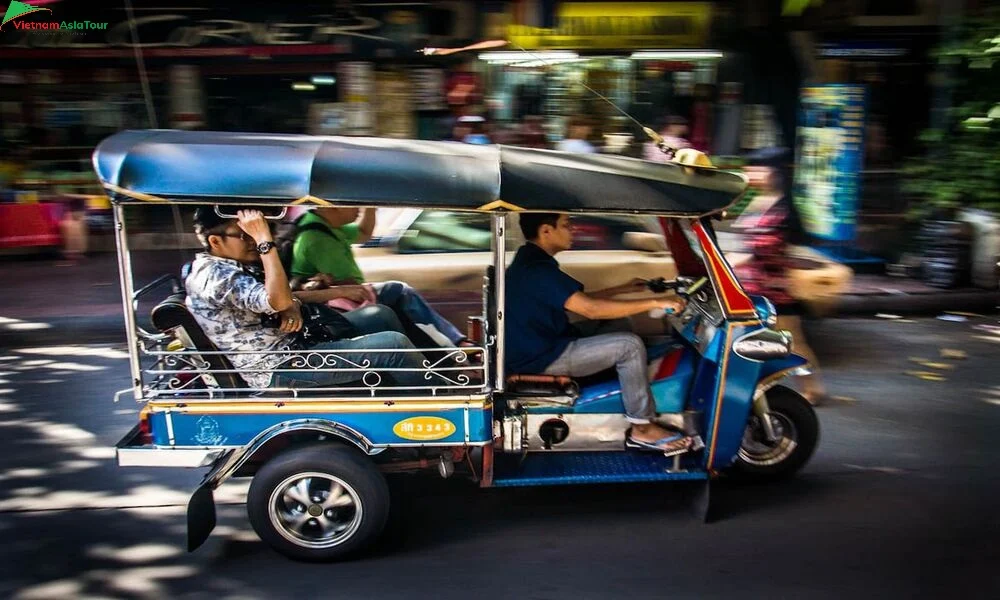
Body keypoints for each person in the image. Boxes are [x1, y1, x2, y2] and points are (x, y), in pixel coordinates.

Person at [505, 212, 692, 454]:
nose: (573, 231)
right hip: (541, 358)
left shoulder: (532, 261)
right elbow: (590, 310)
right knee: (630, 345)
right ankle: (642, 429)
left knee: (619, 324)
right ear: (546, 231)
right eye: (566, 225)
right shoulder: (537, 270)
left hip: (544, 343)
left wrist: (622, 289)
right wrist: (655, 303)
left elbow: (579, 300)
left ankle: (628, 389)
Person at [185, 207, 430, 390]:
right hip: (281, 366)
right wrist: (264, 243)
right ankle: (436, 406)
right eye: (244, 235)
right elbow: (278, 301)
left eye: (254, 233)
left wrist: (332, 293)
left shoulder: (232, 268)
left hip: (297, 343)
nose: (252, 240)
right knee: (394, 345)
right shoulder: (217, 276)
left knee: (381, 315)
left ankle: (407, 384)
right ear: (215, 241)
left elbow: (283, 297)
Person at [290, 207, 470, 350]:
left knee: (398, 297)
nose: (357, 207)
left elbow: (363, 233)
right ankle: (450, 348)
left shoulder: (325, 226)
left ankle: (450, 345)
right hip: (329, 309)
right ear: (330, 207)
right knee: (396, 296)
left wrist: (369, 205)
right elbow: (351, 286)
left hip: (337, 299)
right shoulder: (318, 239)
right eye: (350, 202)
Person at [732, 147, 828, 405]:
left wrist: (731, 262)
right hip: (750, 289)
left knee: (793, 345)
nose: (749, 172)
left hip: (774, 292)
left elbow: (761, 250)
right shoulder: (756, 201)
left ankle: (812, 388)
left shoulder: (780, 210)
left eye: (756, 167)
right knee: (748, 343)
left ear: (773, 173)